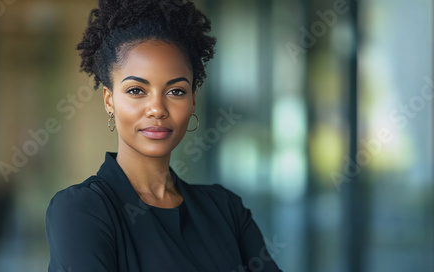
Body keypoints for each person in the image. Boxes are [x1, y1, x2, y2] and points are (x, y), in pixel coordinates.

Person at [45, 0, 282, 271]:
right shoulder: (81, 210)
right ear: (109, 101)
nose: (157, 109)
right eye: (136, 90)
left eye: (176, 91)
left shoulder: (225, 210)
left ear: (192, 101)